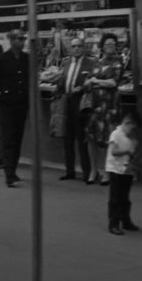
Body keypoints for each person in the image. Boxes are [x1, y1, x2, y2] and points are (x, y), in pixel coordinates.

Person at [0, 30, 29, 187]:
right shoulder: (3, 59)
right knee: (8, 138)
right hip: (6, 104)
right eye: (19, 39)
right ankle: (8, 173)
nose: (22, 41)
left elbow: (29, 79)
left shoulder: (26, 59)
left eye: (23, 38)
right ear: (11, 41)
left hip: (21, 104)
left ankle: (13, 169)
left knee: (17, 138)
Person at [84, 33, 125, 186]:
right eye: (107, 44)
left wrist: (96, 81)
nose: (110, 46)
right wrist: (91, 81)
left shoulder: (118, 61)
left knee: (109, 138)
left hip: (110, 106)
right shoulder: (96, 62)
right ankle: (94, 170)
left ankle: (107, 172)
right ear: (102, 46)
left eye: (112, 44)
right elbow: (88, 81)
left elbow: (113, 83)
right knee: (91, 137)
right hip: (95, 106)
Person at [55, 37, 96, 181]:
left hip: (81, 102)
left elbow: (93, 80)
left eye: (79, 46)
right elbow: (63, 79)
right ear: (70, 48)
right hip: (67, 101)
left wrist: (84, 87)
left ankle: (86, 172)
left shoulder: (90, 63)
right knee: (68, 138)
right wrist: (58, 86)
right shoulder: (66, 62)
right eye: (74, 46)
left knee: (82, 139)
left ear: (83, 47)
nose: (76, 49)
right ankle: (69, 170)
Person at [106, 110, 141, 235]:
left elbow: (133, 155)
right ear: (127, 123)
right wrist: (126, 151)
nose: (133, 132)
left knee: (125, 198)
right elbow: (114, 152)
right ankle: (113, 223)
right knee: (116, 197)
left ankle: (126, 220)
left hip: (127, 170)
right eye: (132, 129)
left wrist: (133, 155)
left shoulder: (132, 138)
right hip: (116, 169)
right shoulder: (116, 134)